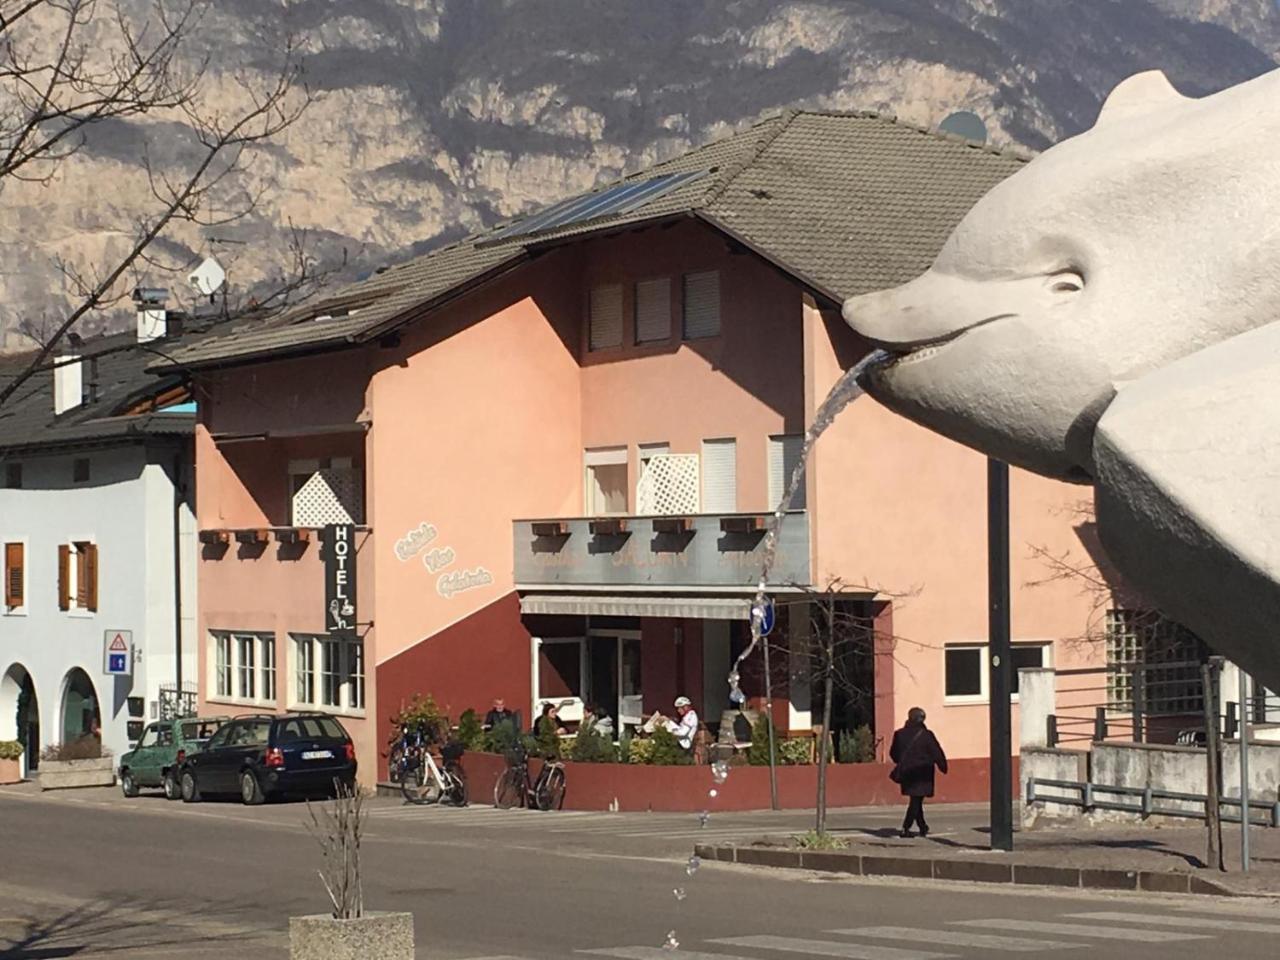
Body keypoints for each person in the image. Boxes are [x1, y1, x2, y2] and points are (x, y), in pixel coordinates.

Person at [889, 707, 948, 838]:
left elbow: (893, 754)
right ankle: (906, 827)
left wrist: (903, 762)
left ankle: (922, 826)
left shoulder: (900, 734)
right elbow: (936, 752)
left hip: (907, 772)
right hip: (923, 772)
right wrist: (943, 766)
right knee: (916, 800)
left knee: (916, 799)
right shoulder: (927, 735)